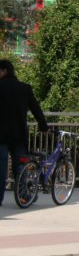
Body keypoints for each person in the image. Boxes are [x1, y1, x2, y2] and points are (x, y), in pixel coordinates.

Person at [0, 59, 48, 205]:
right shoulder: (24, 88)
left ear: (4, 71)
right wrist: (43, 125)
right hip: (19, 135)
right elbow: (36, 109)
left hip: (0, 136)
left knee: (0, 169)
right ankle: (24, 196)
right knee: (20, 168)